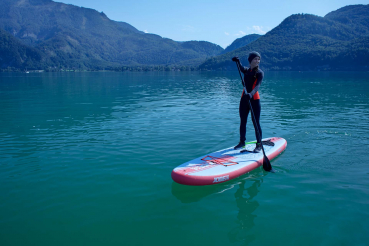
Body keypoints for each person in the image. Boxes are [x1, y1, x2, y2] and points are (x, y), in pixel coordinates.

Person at [232, 51, 264, 152]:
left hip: (254, 99)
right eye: (255, 59)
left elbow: (257, 86)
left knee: (256, 123)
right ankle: (242, 142)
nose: (257, 61)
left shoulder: (260, 73)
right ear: (250, 60)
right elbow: (241, 68)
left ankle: (259, 144)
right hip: (244, 99)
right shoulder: (246, 70)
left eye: (258, 59)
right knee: (243, 121)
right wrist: (237, 61)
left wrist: (250, 94)